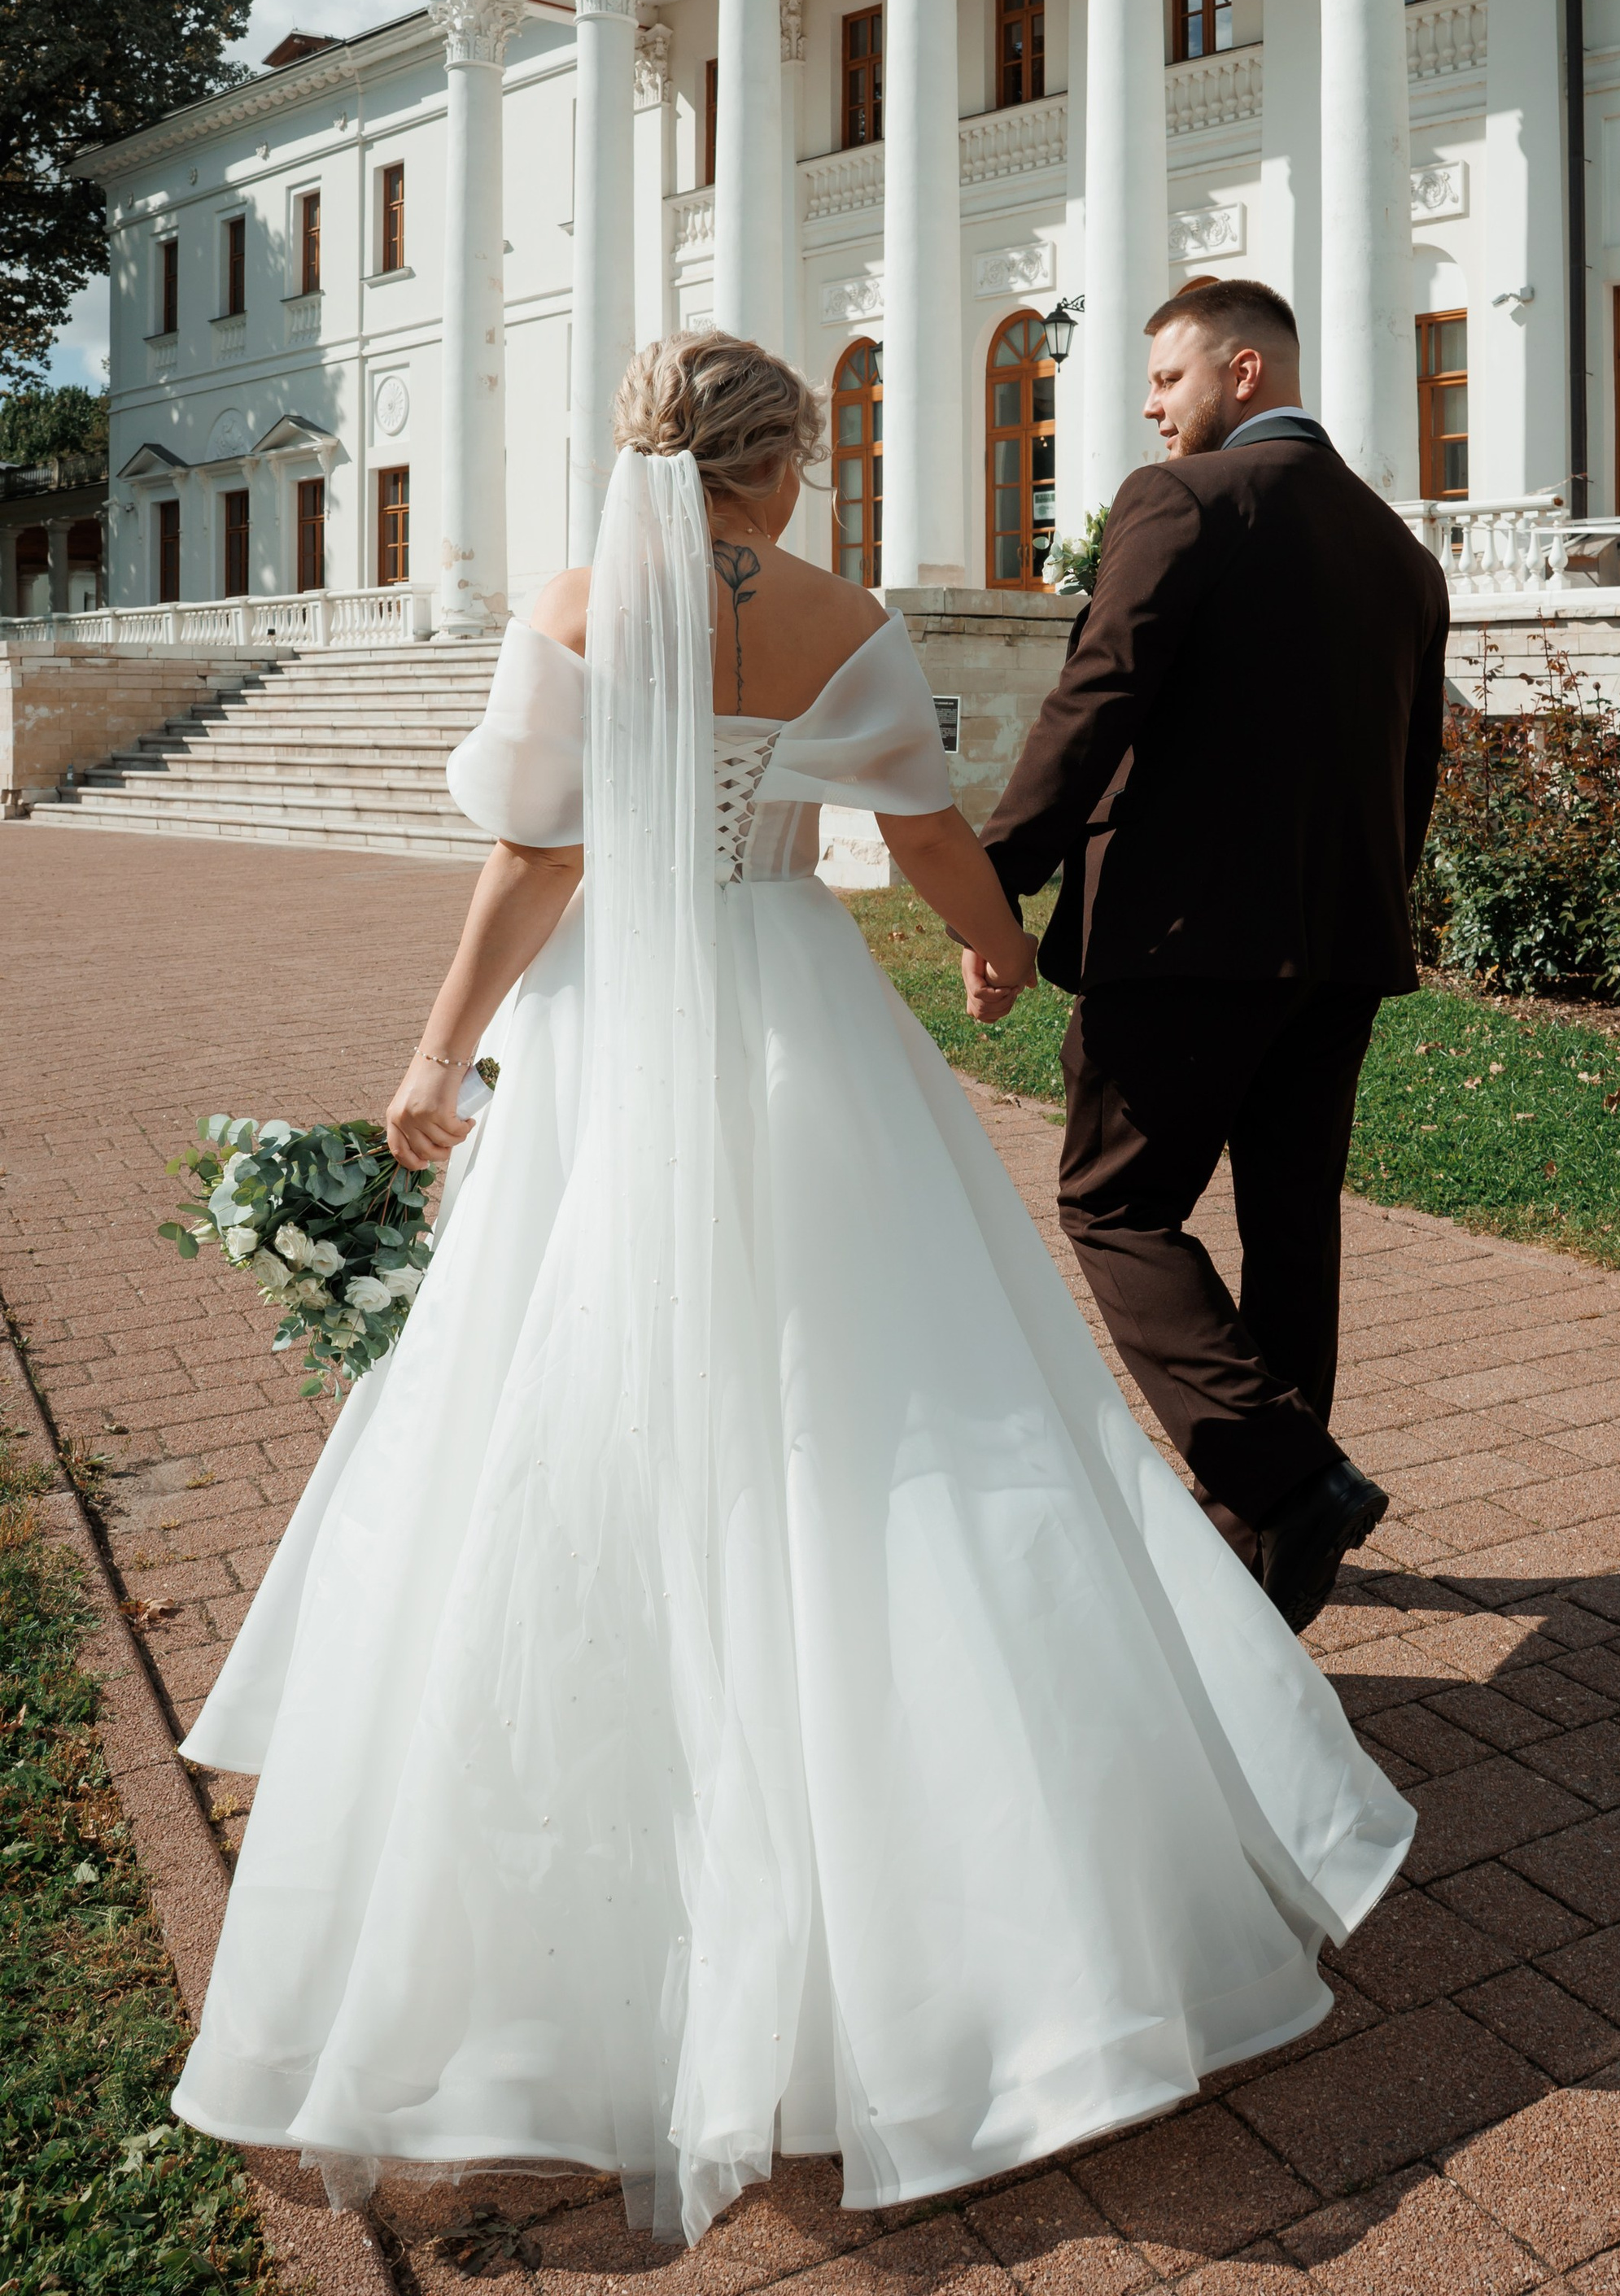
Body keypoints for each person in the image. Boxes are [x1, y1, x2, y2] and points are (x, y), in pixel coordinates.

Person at [169, 330, 1414, 2251]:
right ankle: (959, 1887)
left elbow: (534, 852)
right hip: (786, 1014)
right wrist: (991, 952)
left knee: (561, 1388)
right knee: (878, 1398)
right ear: (783, 463)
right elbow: (918, 829)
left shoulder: (577, 607)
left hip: (610, 1037)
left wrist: (438, 1059)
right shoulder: (836, 612)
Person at [974, 282, 1451, 1635]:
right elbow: (1410, 768)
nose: (1150, 405)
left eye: (1169, 378)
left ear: (1244, 371)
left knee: (1115, 1207)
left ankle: (1287, 1480)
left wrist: (995, 880)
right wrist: (1362, 917)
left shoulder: (1181, 504)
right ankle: (1267, 1551)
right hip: (1343, 946)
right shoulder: (1399, 551)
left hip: (1180, 941)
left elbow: (1098, 693)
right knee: (1291, 1230)